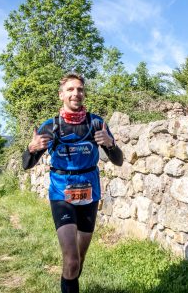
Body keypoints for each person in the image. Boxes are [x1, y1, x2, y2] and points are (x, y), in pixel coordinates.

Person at [22, 73, 123, 293]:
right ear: (61, 95)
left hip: (89, 195)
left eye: (79, 89)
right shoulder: (50, 127)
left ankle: (70, 278)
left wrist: (111, 144)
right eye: (70, 90)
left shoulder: (96, 124)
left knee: (79, 260)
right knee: (71, 260)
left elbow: (119, 161)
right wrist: (31, 149)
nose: (75, 93)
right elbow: (26, 165)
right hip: (61, 195)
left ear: (83, 93)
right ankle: (70, 274)